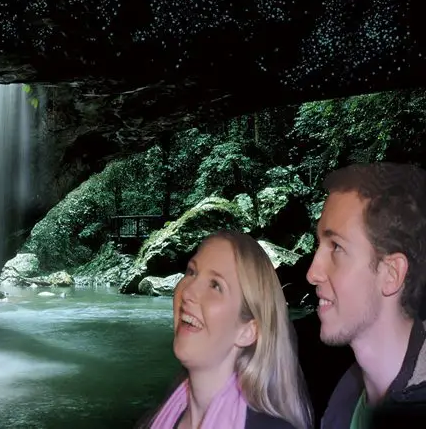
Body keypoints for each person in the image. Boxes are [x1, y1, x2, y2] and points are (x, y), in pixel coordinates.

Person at [146, 231, 313, 429]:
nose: (188, 292)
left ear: (248, 331)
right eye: (191, 272)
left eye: (215, 285)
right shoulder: (162, 417)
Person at [306, 163, 426, 428]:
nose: (312, 273)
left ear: (391, 274)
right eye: (319, 245)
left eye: (336, 246)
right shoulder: (345, 395)